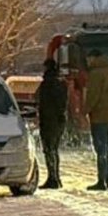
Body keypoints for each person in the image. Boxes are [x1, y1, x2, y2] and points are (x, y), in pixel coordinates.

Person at [83, 49, 108, 191]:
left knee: (100, 149)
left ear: (94, 58)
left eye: (89, 59)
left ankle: (101, 181)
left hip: (99, 116)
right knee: (105, 148)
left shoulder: (96, 74)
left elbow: (93, 95)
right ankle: (107, 179)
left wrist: (85, 110)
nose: (87, 62)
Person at [36, 59, 69, 190]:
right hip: (59, 120)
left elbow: (42, 103)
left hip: (49, 121)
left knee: (49, 149)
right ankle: (56, 177)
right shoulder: (61, 82)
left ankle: (53, 178)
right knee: (54, 149)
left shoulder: (47, 84)